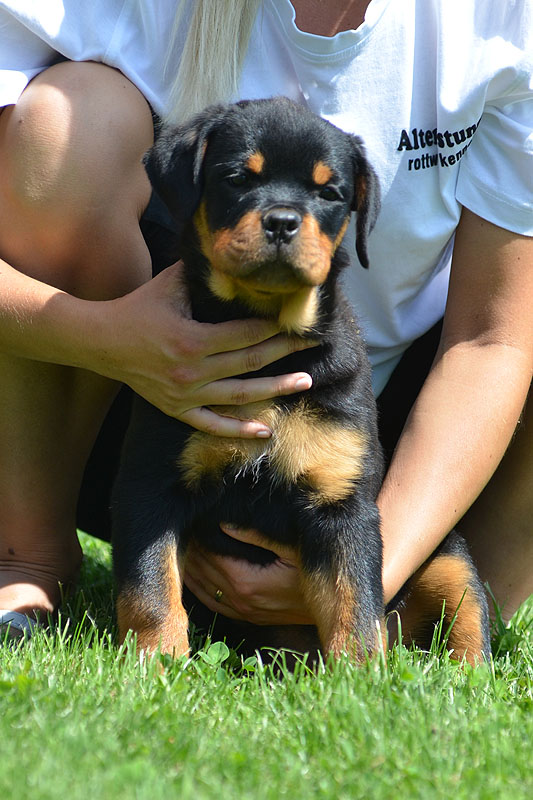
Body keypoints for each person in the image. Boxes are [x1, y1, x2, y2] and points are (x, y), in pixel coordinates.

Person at [0, 1, 531, 640]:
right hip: (132, 384)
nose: (283, 218)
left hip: (396, 405)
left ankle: (442, 615)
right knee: (65, 116)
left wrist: (373, 572)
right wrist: (105, 337)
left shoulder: (501, 19)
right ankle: (26, 553)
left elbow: (494, 337)